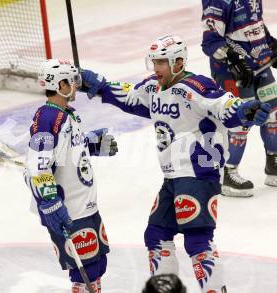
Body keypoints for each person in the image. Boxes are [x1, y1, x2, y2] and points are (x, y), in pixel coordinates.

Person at [80, 35, 270, 292]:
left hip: (198, 174)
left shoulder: (197, 86)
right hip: (173, 176)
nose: (156, 68)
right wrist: (99, 85)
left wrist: (244, 110)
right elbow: (129, 96)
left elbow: (223, 103)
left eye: (162, 62)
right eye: (154, 61)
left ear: (179, 62)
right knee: (156, 235)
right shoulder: (153, 88)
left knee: (197, 240)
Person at [23, 59, 118, 292]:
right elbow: (38, 167)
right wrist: (50, 203)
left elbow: (64, 152)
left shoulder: (66, 115)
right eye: (72, 81)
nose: (76, 85)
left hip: (86, 205)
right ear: (60, 84)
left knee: (98, 265)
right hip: (68, 209)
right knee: (83, 270)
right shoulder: (47, 118)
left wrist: (90, 144)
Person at [201, 0, 277, 197]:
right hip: (233, 73)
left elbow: (255, 25)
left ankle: (273, 163)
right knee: (241, 121)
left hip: (261, 64)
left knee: (273, 114)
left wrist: (270, 44)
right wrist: (234, 60)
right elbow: (210, 42)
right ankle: (228, 173)